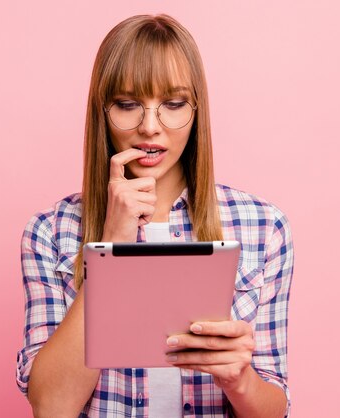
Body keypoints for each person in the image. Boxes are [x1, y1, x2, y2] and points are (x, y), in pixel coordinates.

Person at [16, 14, 294, 418]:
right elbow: (51, 406)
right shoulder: (50, 232)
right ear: (102, 111)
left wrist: (240, 379)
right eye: (127, 105)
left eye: (174, 103)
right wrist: (109, 249)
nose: (150, 127)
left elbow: (274, 409)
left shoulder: (264, 226)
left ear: (197, 110)